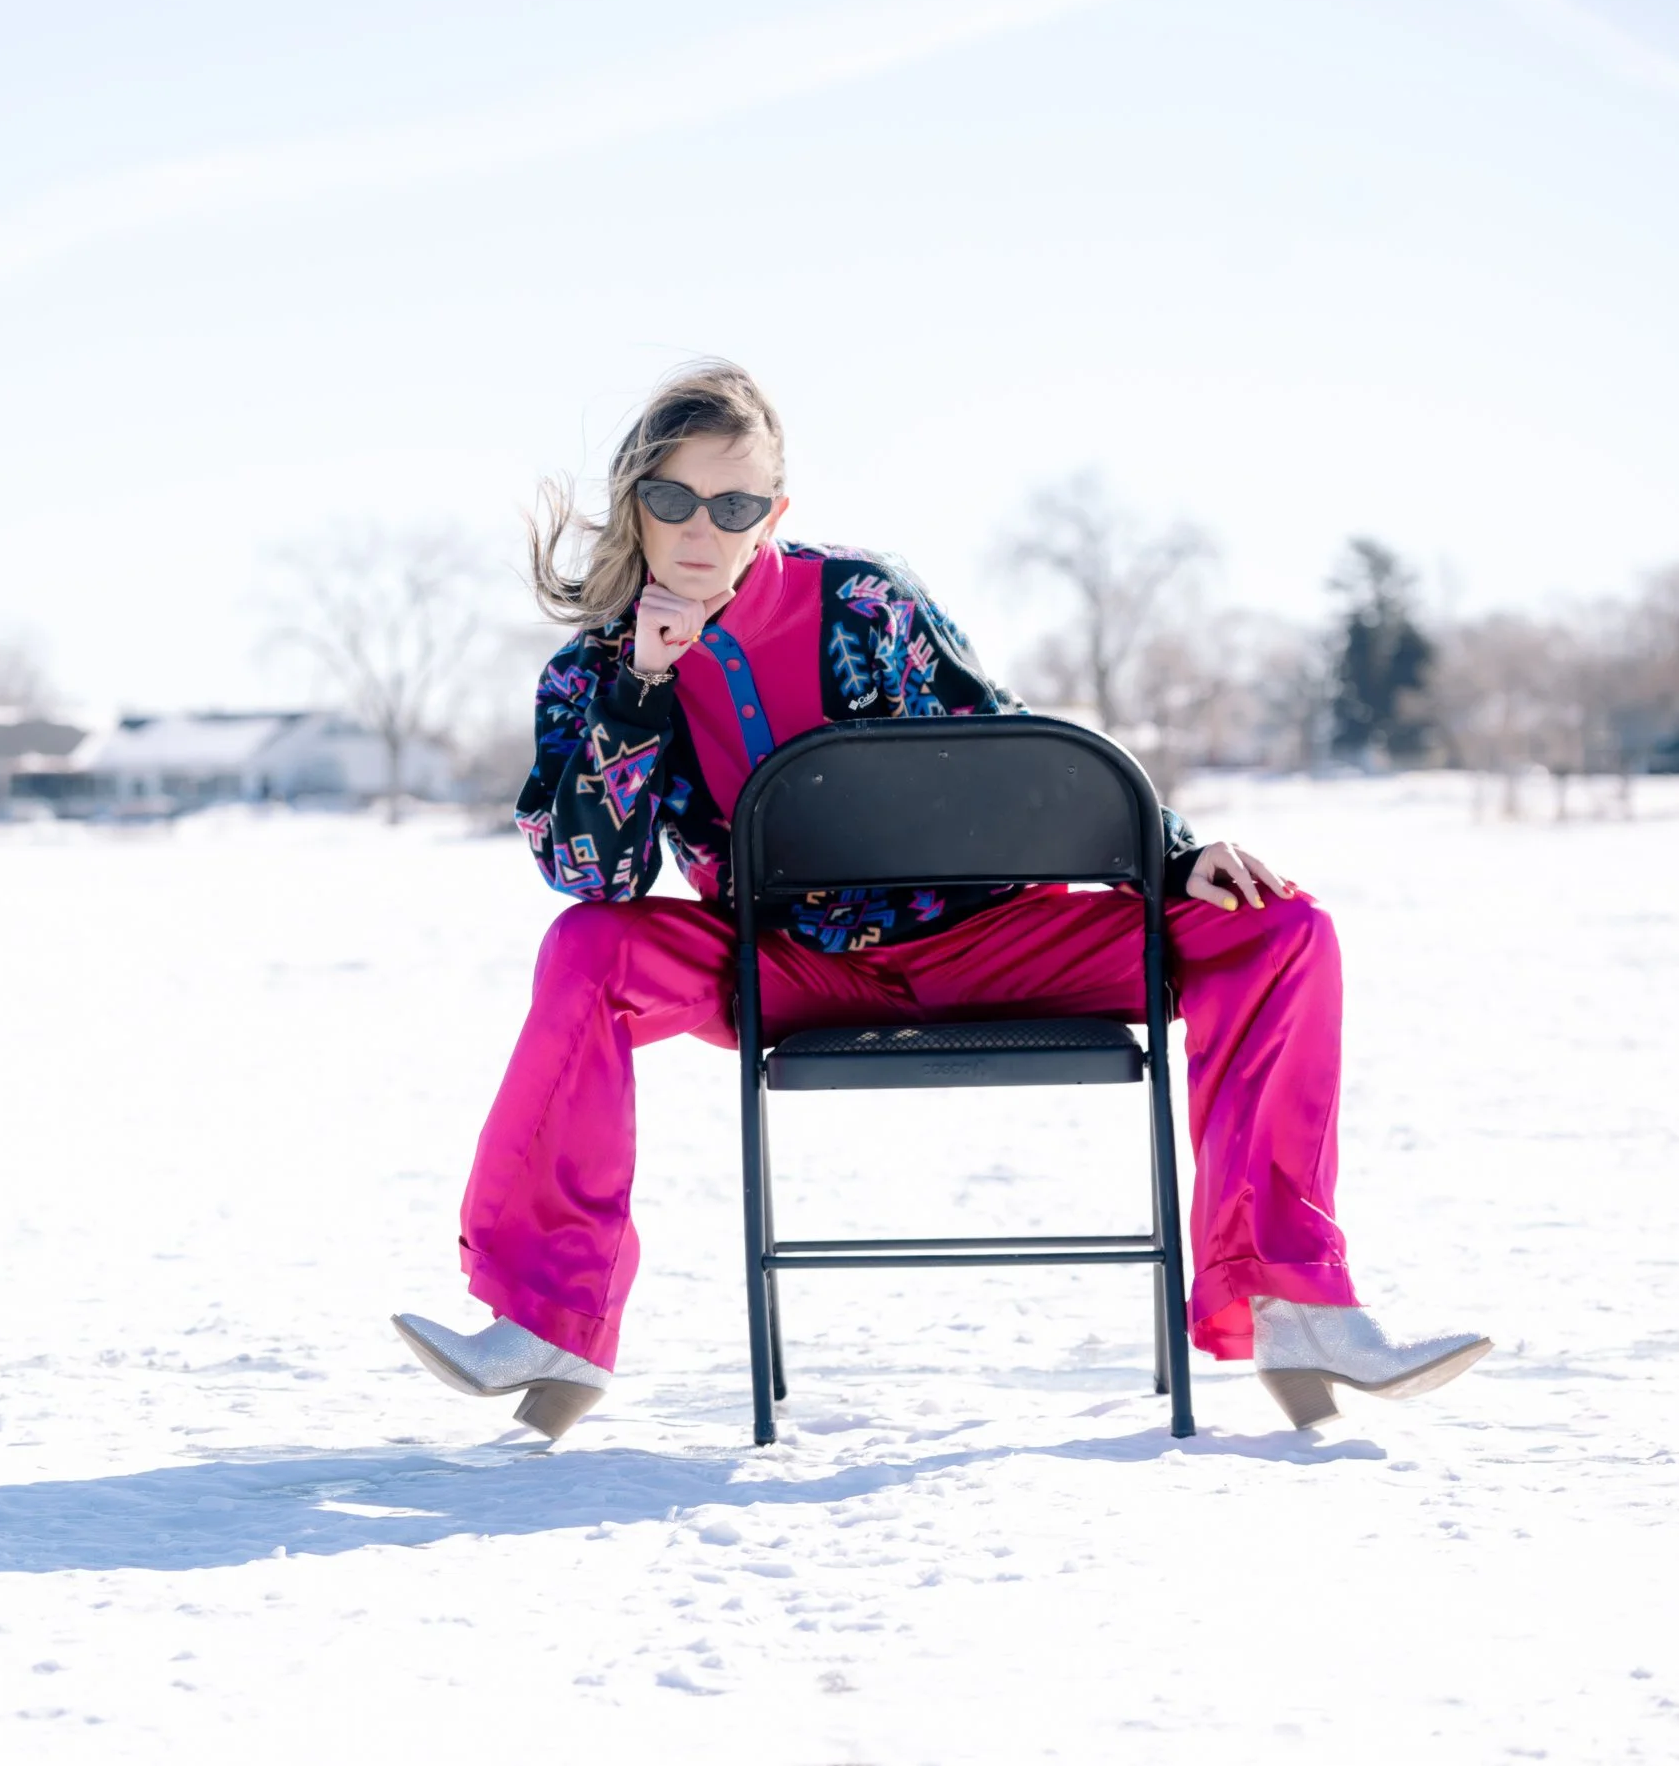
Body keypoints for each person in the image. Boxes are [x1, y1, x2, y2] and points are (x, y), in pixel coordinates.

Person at [394, 362, 1486, 1441]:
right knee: (587, 945)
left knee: (1278, 927)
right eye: (673, 497)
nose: (699, 529)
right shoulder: (593, 673)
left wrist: (1174, 852)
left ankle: (1292, 1302)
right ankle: (548, 1320)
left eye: (732, 506)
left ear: (773, 510)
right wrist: (640, 686)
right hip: (789, 964)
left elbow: (1000, 739)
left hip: (992, 938)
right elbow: (597, 875)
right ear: (637, 497)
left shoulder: (861, 600)